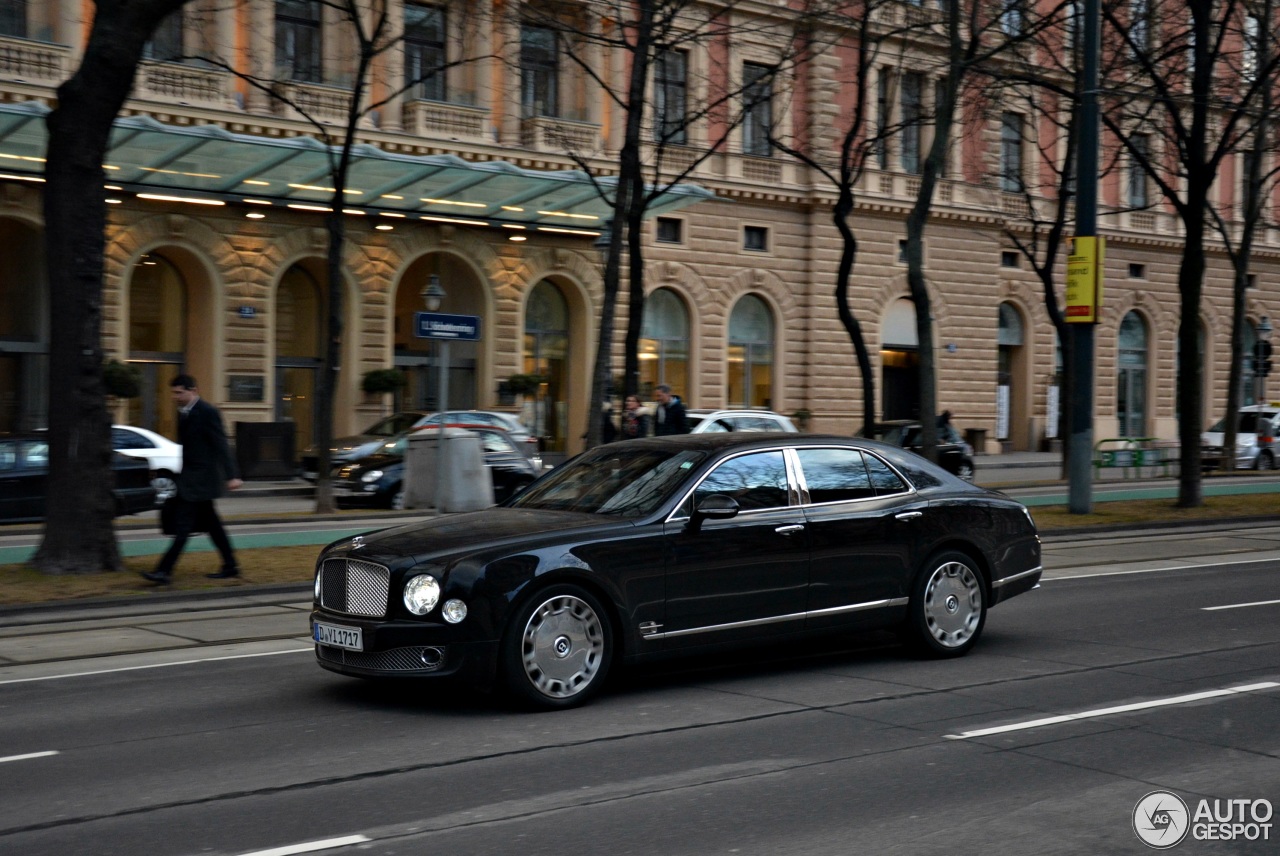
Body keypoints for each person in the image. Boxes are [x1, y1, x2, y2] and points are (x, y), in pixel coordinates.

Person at [143, 374, 243, 583]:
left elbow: (221, 444)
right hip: (191, 479)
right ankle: (231, 565)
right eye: (173, 393)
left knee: (183, 528)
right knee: (213, 527)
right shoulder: (184, 413)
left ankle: (164, 571)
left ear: (193, 391)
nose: (175, 397)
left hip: (201, 481)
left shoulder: (207, 412)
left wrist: (232, 475)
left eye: (179, 392)